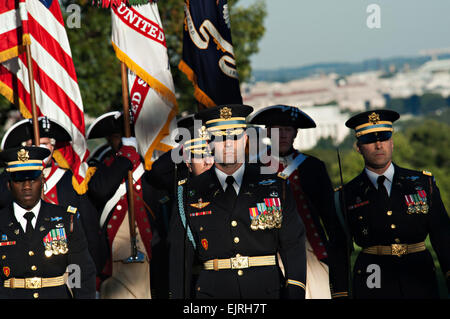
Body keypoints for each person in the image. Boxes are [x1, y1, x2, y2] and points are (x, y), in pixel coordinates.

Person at [169, 104, 307, 299]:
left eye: (235, 137)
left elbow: (293, 245)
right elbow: (179, 261)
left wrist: (294, 293)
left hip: (267, 292)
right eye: (220, 138)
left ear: (245, 140)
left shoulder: (275, 186)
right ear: (209, 143)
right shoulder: (189, 193)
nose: (228, 144)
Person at [339, 109, 449, 298]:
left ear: (392, 143)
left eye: (384, 138)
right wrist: (340, 293)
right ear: (358, 148)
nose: (379, 145)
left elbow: (443, 236)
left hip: (419, 276)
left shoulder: (422, 184)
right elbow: (339, 250)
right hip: (373, 280)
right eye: (370, 141)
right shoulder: (347, 194)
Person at [248, 104, 348, 299]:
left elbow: (329, 217)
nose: (283, 135)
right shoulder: (253, 169)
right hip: (270, 256)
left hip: (311, 252)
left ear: (295, 133)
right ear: (268, 132)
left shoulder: (313, 167)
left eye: (288, 130)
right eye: (278, 130)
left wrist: (338, 255)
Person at [0, 116, 103, 275]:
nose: (38, 147)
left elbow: (88, 226)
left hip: (63, 269)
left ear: (53, 147)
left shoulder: (71, 179)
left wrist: (93, 270)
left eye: (44, 143)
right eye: (32, 144)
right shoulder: (10, 180)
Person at [0, 146, 96, 298]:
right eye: (19, 180)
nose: (26, 186)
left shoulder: (65, 219)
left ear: (42, 181)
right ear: (9, 185)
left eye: (33, 179)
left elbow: (82, 272)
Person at [86, 111, 158, 299]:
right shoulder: (103, 167)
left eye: (133, 136)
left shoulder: (151, 167)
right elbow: (100, 190)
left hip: (151, 254)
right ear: (110, 140)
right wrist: (126, 157)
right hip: (116, 257)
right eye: (120, 137)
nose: (128, 140)